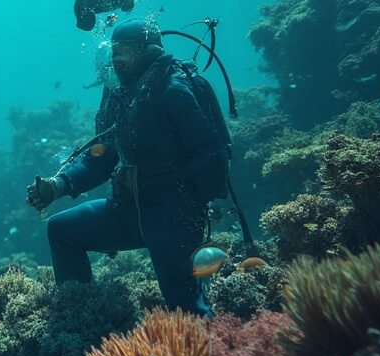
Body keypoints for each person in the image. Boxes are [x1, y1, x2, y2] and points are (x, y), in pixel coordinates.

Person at [26, 19, 229, 316]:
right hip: (127, 209)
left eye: (125, 50)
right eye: (114, 51)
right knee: (61, 230)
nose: (116, 59)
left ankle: (213, 341)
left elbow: (212, 154)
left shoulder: (174, 89)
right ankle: (80, 320)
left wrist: (187, 205)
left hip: (173, 214)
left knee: (186, 308)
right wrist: (59, 185)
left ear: (149, 50)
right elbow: (101, 156)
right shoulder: (117, 94)